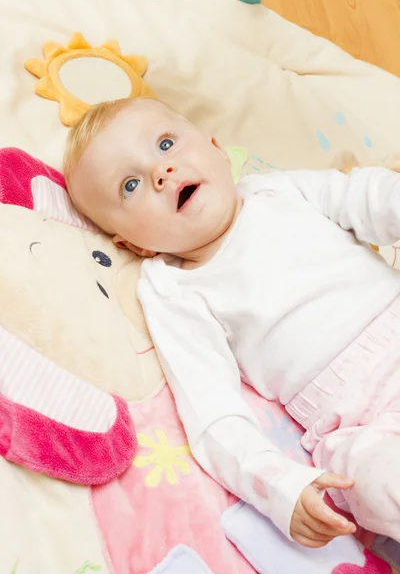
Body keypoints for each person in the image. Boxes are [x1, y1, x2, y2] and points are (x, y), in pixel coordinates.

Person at [64, 96, 400, 548]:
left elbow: (369, 198)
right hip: (358, 422)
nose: (160, 172)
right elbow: (213, 416)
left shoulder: (280, 191)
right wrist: (279, 487)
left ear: (217, 149)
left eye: (165, 143)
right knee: (378, 485)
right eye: (129, 186)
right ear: (134, 244)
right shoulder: (174, 293)